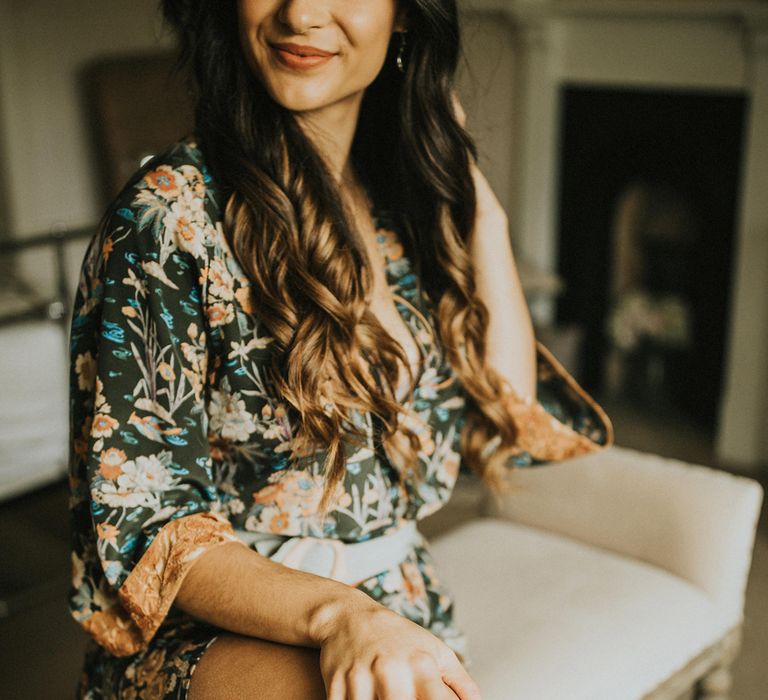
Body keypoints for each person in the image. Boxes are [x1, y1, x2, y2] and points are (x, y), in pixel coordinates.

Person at [67, 1, 614, 698]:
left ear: (408, 16)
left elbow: (507, 415)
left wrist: (482, 207)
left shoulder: (399, 207)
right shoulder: (169, 216)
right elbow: (149, 524)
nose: (300, 12)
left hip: (396, 610)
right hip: (220, 627)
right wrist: (341, 615)